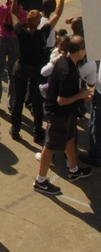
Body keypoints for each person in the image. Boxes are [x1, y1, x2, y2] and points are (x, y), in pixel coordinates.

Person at [34, 35, 95, 194]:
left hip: (66, 114)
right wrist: (81, 96)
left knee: (70, 138)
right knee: (50, 146)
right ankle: (40, 180)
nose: (86, 52)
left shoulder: (64, 61)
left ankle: (74, 170)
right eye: (84, 49)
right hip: (59, 114)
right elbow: (61, 101)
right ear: (79, 51)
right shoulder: (69, 72)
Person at [10, 0, 68, 144]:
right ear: (38, 23)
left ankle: (15, 129)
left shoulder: (21, 32)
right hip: (36, 69)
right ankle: (37, 131)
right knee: (36, 100)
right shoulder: (43, 33)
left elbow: (13, 12)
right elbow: (57, 14)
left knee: (18, 99)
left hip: (21, 67)